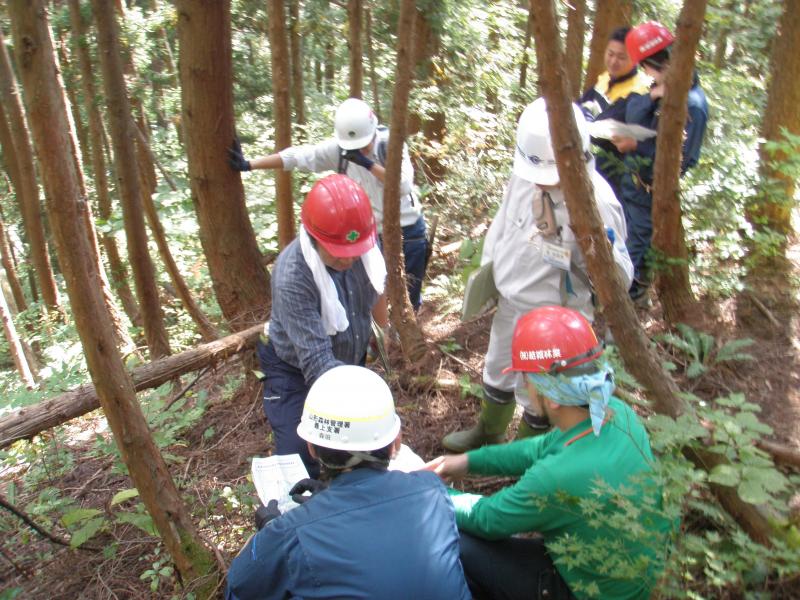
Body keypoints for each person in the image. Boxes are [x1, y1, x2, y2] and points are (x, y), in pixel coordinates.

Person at [426, 306, 672, 600]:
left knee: (457, 542)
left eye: (527, 379)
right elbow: (539, 448)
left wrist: (428, 491)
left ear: (553, 397)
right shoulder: (617, 413)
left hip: (584, 590)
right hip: (623, 577)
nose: (525, 387)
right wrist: (467, 462)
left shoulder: (557, 476)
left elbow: (486, 518)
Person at [441, 98, 633, 453]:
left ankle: (526, 453)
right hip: (511, 301)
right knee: (498, 367)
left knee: (541, 394)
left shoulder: (598, 201)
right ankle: (489, 430)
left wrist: (601, 252)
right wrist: (488, 274)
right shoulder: (524, 174)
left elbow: (621, 280)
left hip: (555, 319)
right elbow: (503, 223)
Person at [226, 365, 471, 600]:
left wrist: (271, 529)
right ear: (395, 440)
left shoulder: (290, 531)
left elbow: (239, 584)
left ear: (311, 448)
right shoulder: (432, 489)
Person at [229, 97, 429, 309]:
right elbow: (299, 156)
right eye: (357, 148)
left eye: (365, 145)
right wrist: (250, 164)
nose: (361, 150)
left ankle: (409, 334)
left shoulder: (390, 144)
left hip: (407, 230)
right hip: (367, 235)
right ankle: (382, 336)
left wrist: (368, 165)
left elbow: (404, 185)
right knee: (372, 290)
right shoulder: (341, 150)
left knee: (410, 291)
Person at [258, 174, 388, 477]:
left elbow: (379, 284)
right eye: (339, 253)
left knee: (361, 448)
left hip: (348, 356)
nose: (351, 259)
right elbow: (317, 364)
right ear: (313, 237)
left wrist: (382, 331)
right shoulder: (293, 276)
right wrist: (364, 407)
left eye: (357, 251)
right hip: (294, 370)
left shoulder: (364, 240)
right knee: (303, 454)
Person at [612, 21, 708, 302]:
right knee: (624, 240)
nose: (644, 72)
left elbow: (683, 160)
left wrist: (636, 146)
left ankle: (630, 299)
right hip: (631, 188)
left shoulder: (692, 105)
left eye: (645, 66)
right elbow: (634, 115)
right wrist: (653, 95)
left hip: (649, 193)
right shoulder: (660, 89)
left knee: (636, 248)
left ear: (661, 63)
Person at [578, 26, 651, 199]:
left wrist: (585, 118)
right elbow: (578, 108)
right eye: (610, 54)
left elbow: (602, 128)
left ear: (634, 59)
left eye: (621, 57)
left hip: (612, 177)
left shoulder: (638, 92)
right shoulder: (605, 79)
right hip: (587, 165)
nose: (613, 61)